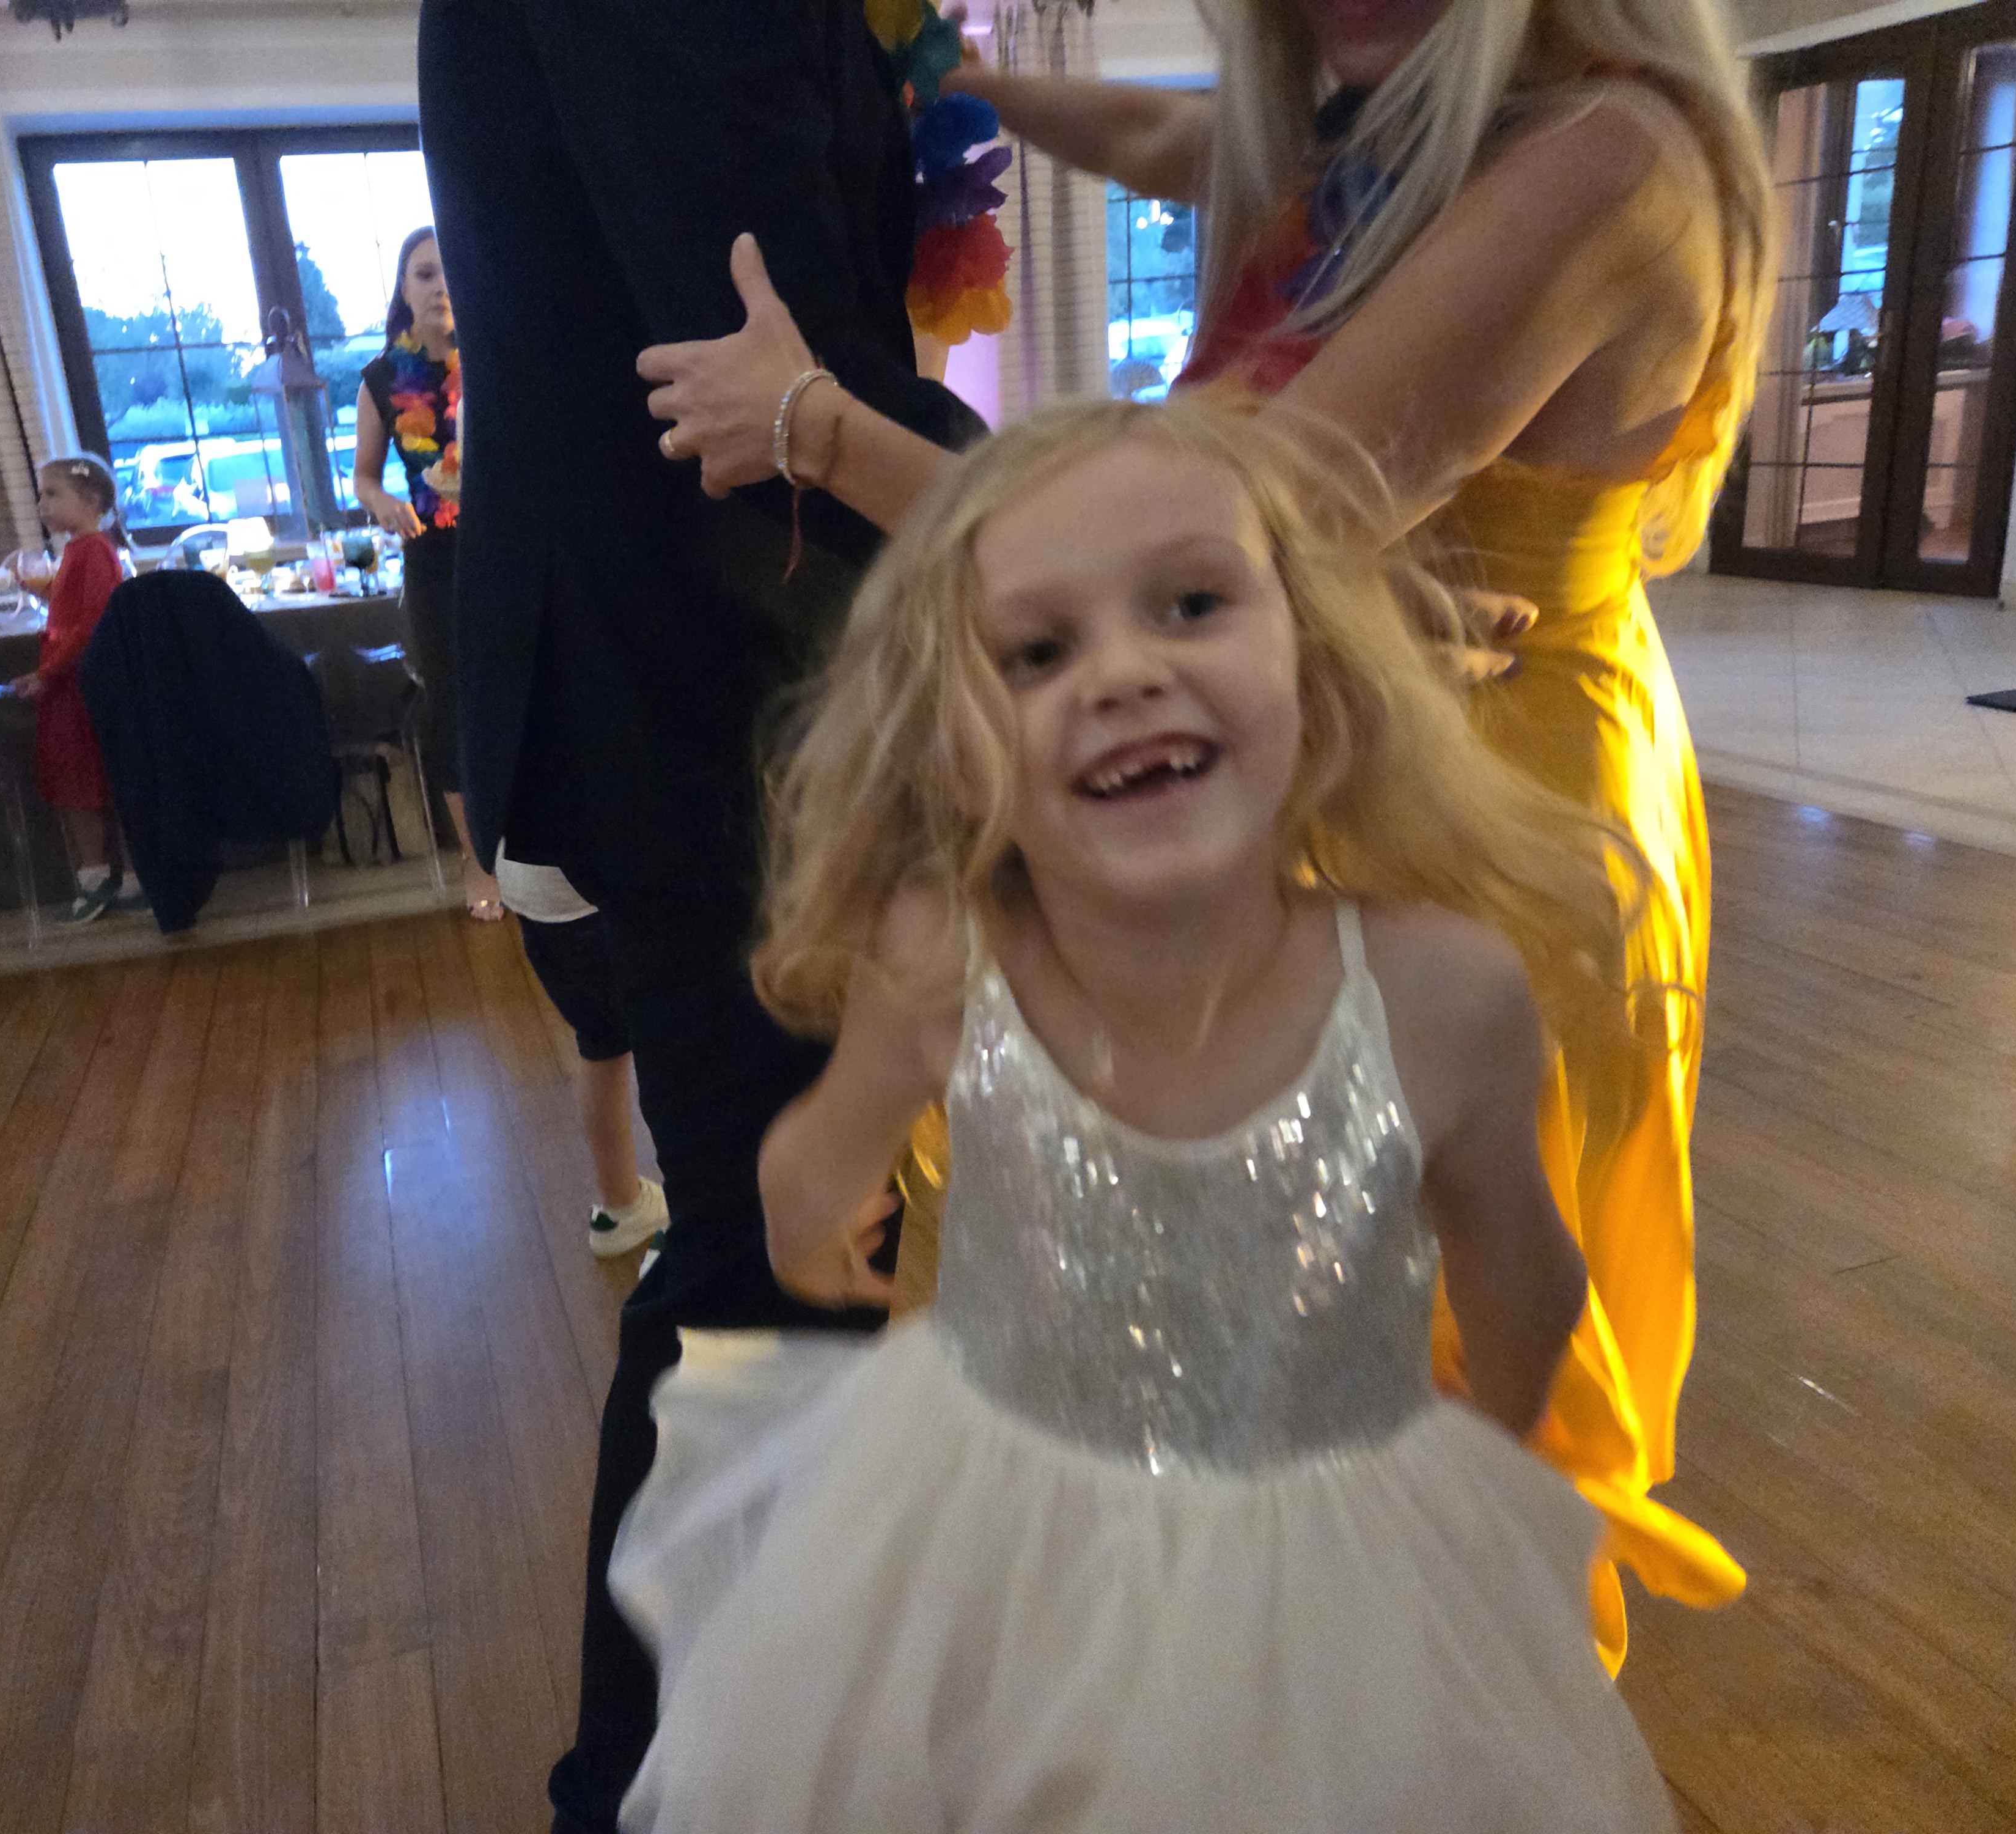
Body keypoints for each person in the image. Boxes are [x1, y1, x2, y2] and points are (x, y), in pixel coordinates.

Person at [636, 0, 1769, 1664]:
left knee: (1406, 1346)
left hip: (1494, 805)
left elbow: (1206, 537)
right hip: (1339, 765)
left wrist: (812, 425)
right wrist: (960, 80)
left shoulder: (1601, 162)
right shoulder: (1383, 133)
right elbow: (1169, 139)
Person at [614, 396, 1676, 1830]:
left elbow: (1525, 1267)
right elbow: (819, 1154)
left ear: (1312, 655)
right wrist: (815, 1226)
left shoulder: (1442, 993)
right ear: (951, 736)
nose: (1121, 673)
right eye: (1036, 652)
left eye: (1189, 603)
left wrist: (1475, 1465)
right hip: (1005, 1544)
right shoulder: (946, 963)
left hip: (1327, 1569)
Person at [418, 2, 988, 1822]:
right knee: (767, 1265)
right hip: (707, 693)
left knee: (784, 1247)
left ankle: (747, 1742)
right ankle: (648, 1784)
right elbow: (758, 338)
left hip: (685, 677)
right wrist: (1092, 518)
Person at [351, 227, 502, 920]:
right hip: (435, 557)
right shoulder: (383, 380)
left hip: (508, 545)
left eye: (450, 271)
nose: (440, 285)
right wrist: (381, 502)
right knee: (452, 707)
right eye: (424, 273)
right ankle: (478, 862)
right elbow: (362, 476)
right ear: (404, 291)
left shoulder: (499, 356)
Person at [496, 847, 671, 1259]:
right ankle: (698, 1220)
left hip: (532, 892)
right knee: (670, 1048)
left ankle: (622, 1207)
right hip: (593, 892)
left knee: (602, 1043)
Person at [12, 454, 141, 923]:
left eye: (52, 494)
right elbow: (77, 605)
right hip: (71, 682)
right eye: (41, 495)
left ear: (89, 501)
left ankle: (108, 877)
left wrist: (47, 673)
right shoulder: (79, 551)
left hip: (80, 685)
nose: (41, 505)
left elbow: (91, 621)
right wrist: (47, 592)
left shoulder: (94, 551)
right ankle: (105, 875)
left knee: (86, 783)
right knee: (79, 782)